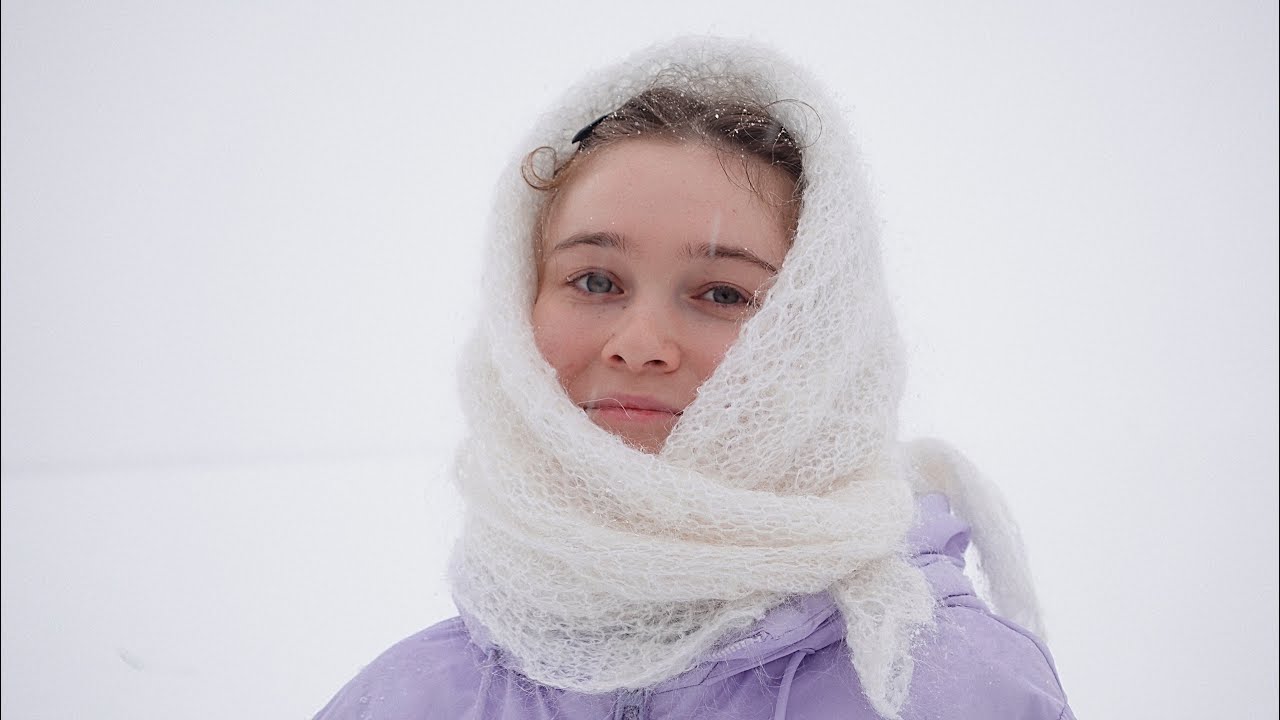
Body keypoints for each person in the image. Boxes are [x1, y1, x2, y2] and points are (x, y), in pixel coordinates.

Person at [314, 37, 1075, 720]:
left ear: (818, 339)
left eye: (722, 294)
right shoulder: (413, 696)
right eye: (595, 280)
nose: (640, 344)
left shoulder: (941, 688)